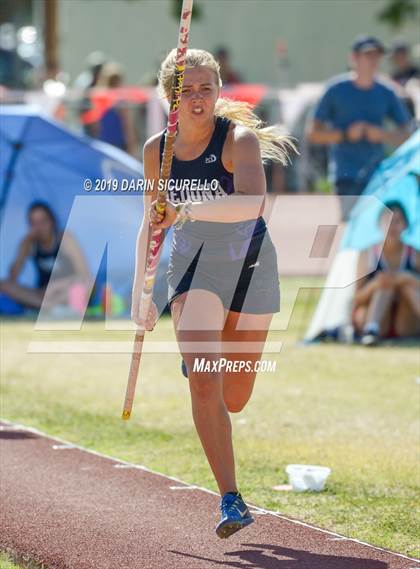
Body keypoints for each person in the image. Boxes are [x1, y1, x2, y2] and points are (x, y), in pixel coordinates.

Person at [131, 49, 292, 538]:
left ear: (219, 92)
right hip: (194, 270)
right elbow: (150, 225)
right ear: (168, 97)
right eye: (186, 90)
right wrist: (143, 292)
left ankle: (205, 356)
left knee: (235, 396)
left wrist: (184, 207)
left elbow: (250, 204)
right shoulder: (156, 150)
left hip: (250, 267)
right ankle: (231, 498)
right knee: (204, 378)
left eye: (206, 88)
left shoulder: (237, 140)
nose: (197, 99)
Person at [307, 35, 411, 221]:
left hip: (378, 174)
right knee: (353, 229)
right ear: (353, 58)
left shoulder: (386, 92)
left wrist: (382, 134)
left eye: (377, 56)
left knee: (378, 231)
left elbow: (408, 134)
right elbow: (313, 134)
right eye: (368, 55)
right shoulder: (336, 89)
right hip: (345, 174)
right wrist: (345, 134)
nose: (374, 61)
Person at [0, 202, 91, 311]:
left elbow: (85, 275)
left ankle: (52, 307)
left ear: (52, 221)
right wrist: (23, 249)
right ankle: (51, 307)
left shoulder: (65, 238)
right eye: (34, 223)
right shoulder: (29, 244)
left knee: (85, 285)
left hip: (68, 289)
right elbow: (12, 278)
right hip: (42, 295)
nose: (39, 227)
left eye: (43, 221)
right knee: (4, 285)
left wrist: (56, 286)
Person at [353, 201, 420, 346]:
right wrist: (375, 285)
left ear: (406, 225)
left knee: (406, 283)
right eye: (388, 220)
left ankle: (372, 330)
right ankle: (372, 330)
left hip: (404, 322)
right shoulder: (367, 254)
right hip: (374, 316)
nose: (392, 226)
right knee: (385, 285)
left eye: (397, 221)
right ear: (379, 224)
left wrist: (408, 279)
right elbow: (357, 299)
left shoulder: (415, 255)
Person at [94, 62, 138, 157]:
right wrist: (131, 143)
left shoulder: (100, 97)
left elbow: (97, 125)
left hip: (106, 142)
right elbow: (127, 124)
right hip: (116, 143)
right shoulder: (119, 99)